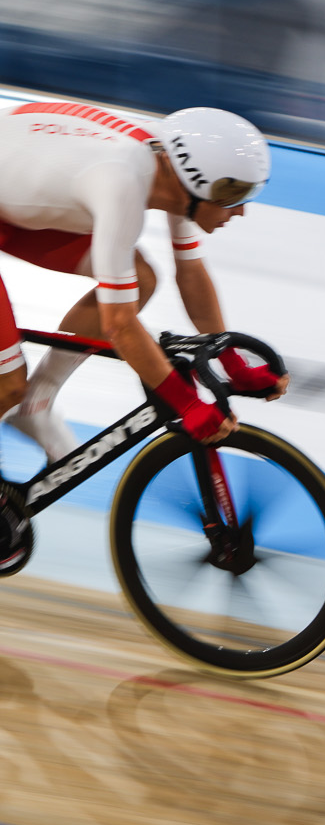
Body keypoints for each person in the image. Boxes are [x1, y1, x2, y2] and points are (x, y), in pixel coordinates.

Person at [0, 102, 284, 561]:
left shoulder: (171, 164)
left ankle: (37, 404)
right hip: (21, 184)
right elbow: (119, 325)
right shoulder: (122, 182)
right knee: (6, 383)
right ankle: (22, 396)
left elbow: (189, 275)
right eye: (235, 193)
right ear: (195, 183)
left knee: (139, 279)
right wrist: (187, 404)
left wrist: (233, 362)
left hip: (17, 194)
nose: (241, 210)